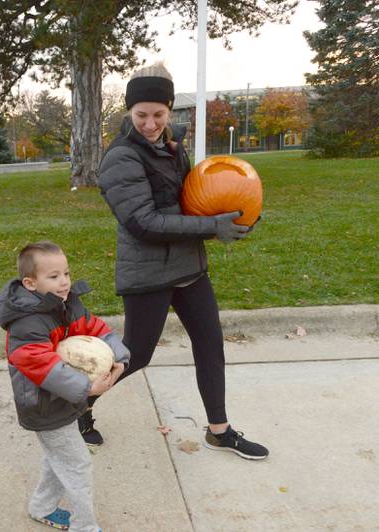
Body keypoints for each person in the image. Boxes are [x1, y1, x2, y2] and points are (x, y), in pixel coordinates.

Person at [92, 62, 269, 460]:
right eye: (141, 115)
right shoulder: (121, 157)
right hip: (148, 271)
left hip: (188, 266)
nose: (150, 123)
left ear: (169, 110)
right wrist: (211, 227)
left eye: (158, 114)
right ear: (128, 112)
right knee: (136, 355)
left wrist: (237, 216)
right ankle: (78, 405)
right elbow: (144, 223)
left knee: (210, 344)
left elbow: (194, 201)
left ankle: (219, 430)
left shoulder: (172, 146)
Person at [0, 241, 130, 532]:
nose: (65, 281)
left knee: (60, 457)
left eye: (66, 273)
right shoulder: (26, 323)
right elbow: (44, 366)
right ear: (30, 283)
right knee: (77, 464)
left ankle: (41, 507)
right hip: (43, 405)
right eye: (53, 276)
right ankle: (85, 527)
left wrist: (119, 355)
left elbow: (93, 328)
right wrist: (86, 388)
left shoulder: (66, 304)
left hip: (64, 400)